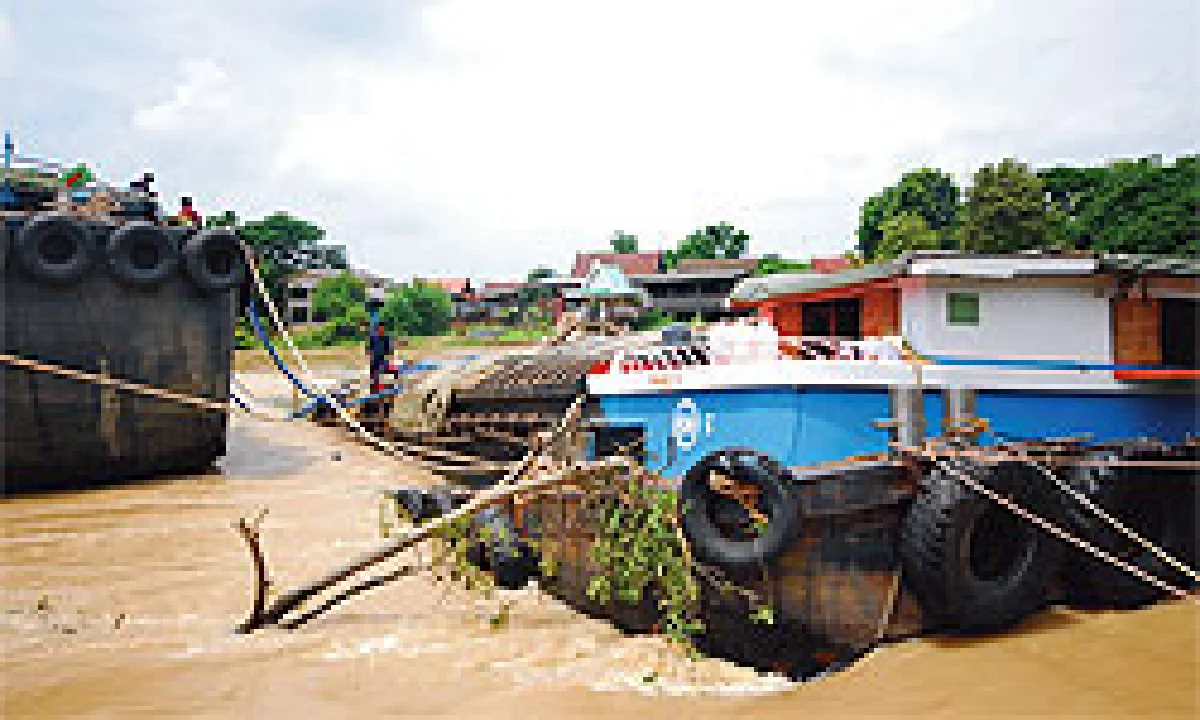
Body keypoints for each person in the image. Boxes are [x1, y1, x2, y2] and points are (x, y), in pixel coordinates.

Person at [367, 323, 393, 392]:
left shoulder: (386, 338)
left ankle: (386, 387)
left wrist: (389, 357)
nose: (381, 330)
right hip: (374, 359)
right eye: (379, 328)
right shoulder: (373, 338)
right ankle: (373, 389)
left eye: (382, 328)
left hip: (383, 358)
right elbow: (369, 348)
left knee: (384, 372)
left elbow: (389, 349)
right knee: (374, 374)